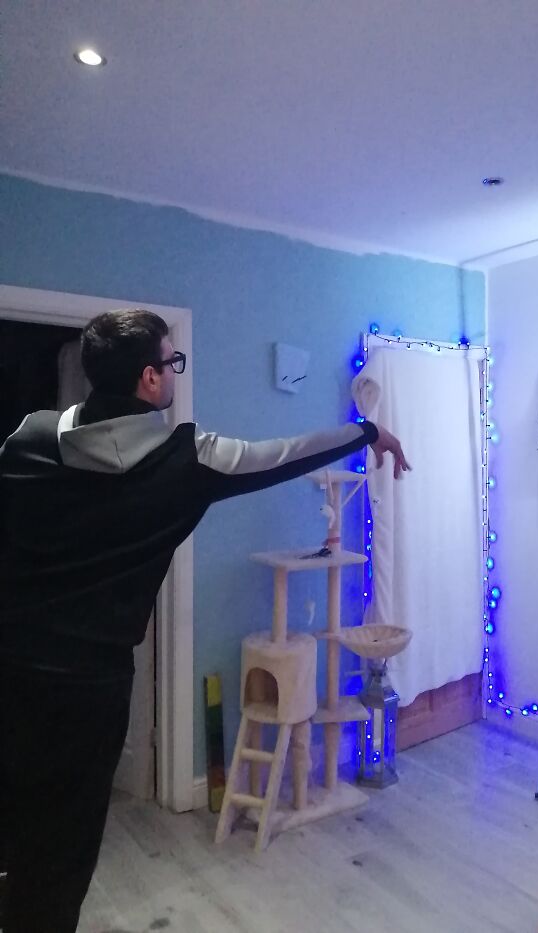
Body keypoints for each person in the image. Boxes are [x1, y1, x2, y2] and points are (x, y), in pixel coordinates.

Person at [0, 309, 409, 933]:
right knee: (63, 848)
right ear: (149, 378)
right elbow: (285, 455)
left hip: (11, 670)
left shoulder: (28, 440)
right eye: (172, 362)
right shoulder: (186, 461)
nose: (174, 371)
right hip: (90, 690)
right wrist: (367, 432)